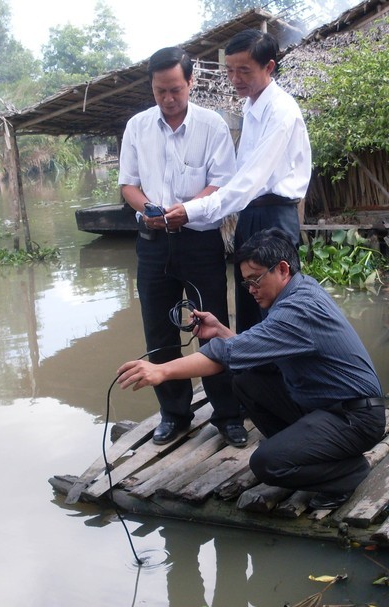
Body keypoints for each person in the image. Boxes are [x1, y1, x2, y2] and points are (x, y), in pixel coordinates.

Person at [117, 228, 386, 509]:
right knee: (247, 379)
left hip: (354, 419)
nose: (252, 289)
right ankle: (303, 453)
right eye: (246, 283)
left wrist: (161, 371)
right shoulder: (300, 288)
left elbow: (224, 354)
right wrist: (221, 330)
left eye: (255, 280)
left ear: (282, 269)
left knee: (266, 464)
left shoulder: (298, 309)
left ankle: (348, 473)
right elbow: (248, 350)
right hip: (326, 406)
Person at [118, 46, 247, 447]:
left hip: (198, 239)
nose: (169, 99)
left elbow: (223, 181)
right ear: (152, 88)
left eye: (176, 89)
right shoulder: (137, 127)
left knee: (211, 325)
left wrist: (187, 210)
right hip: (153, 242)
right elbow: (128, 185)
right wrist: (148, 210)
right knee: (159, 328)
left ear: (190, 83)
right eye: (161, 92)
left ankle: (228, 414)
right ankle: (175, 414)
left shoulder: (212, 126)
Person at [165, 29, 312, 333]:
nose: (235, 78)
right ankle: (250, 375)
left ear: (268, 67)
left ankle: (277, 378)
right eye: (230, 70)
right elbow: (237, 177)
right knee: (249, 305)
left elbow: (247, 183)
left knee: (275, 312)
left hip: (273, 218)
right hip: (251, 215)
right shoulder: (252, 106)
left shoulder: (280, 112)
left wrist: (192, 210)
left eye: (244, 70)